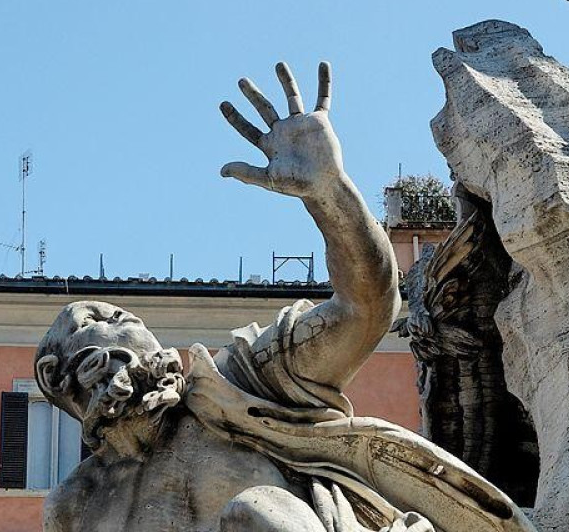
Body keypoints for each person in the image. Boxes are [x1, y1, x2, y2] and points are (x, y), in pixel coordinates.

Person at [35, 63, 536, 532]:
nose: (131, 321)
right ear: (56, 377)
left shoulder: (245, 380)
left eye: (126, 315)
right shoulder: (76, 505)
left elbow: (365, 309)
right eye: (102, 318)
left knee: (255, 509)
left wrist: (330, 193)